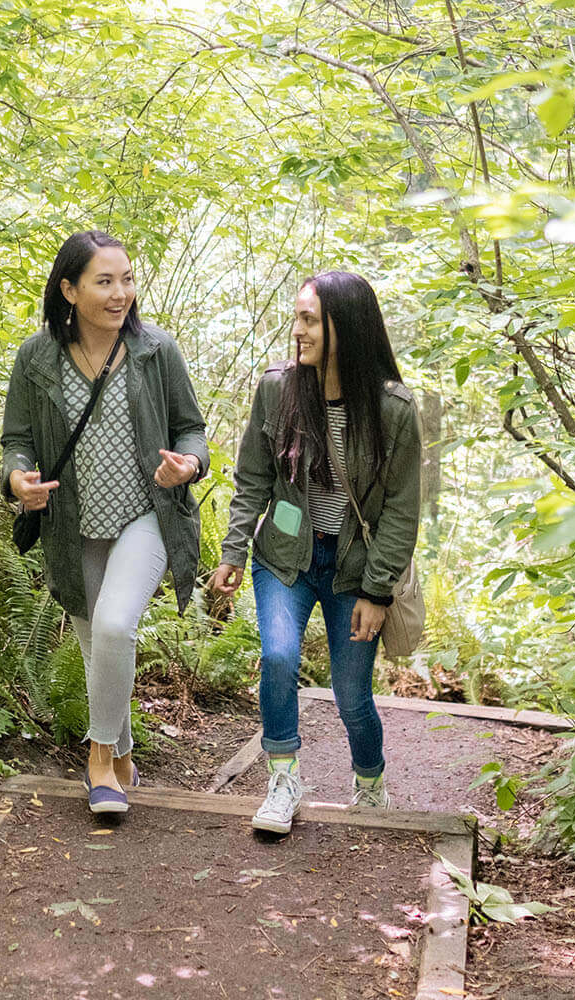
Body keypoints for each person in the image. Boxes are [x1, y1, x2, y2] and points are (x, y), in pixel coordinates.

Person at [0, 230, 209, 815]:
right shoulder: (36, 357)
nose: (121, 294)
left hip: (146, 513)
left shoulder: (155, 351)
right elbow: (16, 442)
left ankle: (98, 758)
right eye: (105, 281)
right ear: (69, 289)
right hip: (72, 523)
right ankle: (123, 757)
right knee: (98, 649)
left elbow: (191, 429)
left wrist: (188, 463)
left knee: (116, 626)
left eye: (128, 279)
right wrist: (20, 480)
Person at [210, 271, 421, 834]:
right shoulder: (278, 388)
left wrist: (377, 591)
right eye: (297, 316)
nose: (296, 329)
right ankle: (283, 780)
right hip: (284, 558)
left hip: (355, 570)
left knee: (353, 696)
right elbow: (253, 478)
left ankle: (370, 783)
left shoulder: (393, 410)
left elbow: (402, 511)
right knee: (278, 659)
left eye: (308, 319)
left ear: (344, 328)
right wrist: (233, 550)